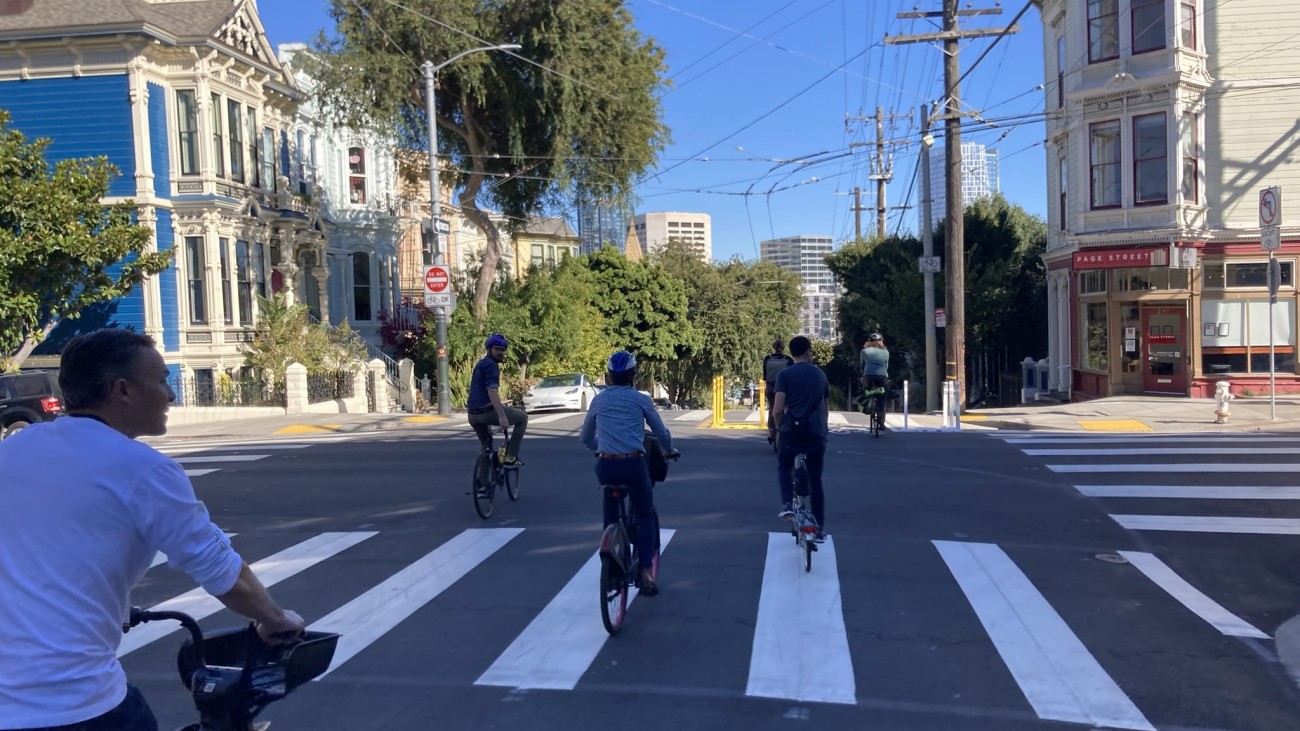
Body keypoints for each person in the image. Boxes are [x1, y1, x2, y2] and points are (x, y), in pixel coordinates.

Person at [0, 329, 304, 731]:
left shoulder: (16, 448)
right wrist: (276, 621)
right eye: (161, 381)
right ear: (121, 389)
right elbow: (223, 572)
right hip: (74, 703)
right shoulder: (142, 469)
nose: (171, 395)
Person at [579, 350, 677, 596]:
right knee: (645, 514)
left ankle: (611, 566)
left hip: (606, 466)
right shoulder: (640, 400)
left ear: (610, 377)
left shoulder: (599, 401)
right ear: (633, 375)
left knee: (610, 513)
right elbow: (661, 433)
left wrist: (598, 448)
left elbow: (585, 437)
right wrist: (669, 450)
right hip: (633, 465)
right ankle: (645, 571)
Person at [771, 335, 830, 541]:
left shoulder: (785, 375)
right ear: (807, 351)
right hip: (815, 432)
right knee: (816, 480)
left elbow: (778, 409)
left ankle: (787, 503)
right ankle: (819, 527)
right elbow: (824, 407)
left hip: (791, 431)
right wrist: (824, 429)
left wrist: (779, 430)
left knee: (784, 466)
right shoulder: (820, 375)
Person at [466, 333, 528, 467]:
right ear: (489, 349)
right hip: (486, 412)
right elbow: (492, 391)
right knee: (522, 417)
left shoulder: (481, 364)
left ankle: (482, 486)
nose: (500, 352)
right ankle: (511, 456)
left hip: (472, 415)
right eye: (497, 349)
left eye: (502, 350)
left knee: (485, 446)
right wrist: (502, 416)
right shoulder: (492, 366)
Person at [761, 338, 794, 444]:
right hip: (784, 389)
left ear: (773, 347)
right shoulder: (788, 359)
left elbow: (765, 376)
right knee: (787, 407)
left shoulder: (767, 359)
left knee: (772, 408)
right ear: (783, 348)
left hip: (770, 388)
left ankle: (771, 431)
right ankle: (785, 429)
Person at [859, 333, 890, 418]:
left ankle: (867, 406)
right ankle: (881, 421)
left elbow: (862, 365)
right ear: (881, 342)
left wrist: (863, 375)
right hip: (882, 376)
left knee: (865, 391)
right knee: (883, 397)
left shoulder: (864, 351)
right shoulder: (886, 352)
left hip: (868, 375)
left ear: (869, 342)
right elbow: (886, 366)